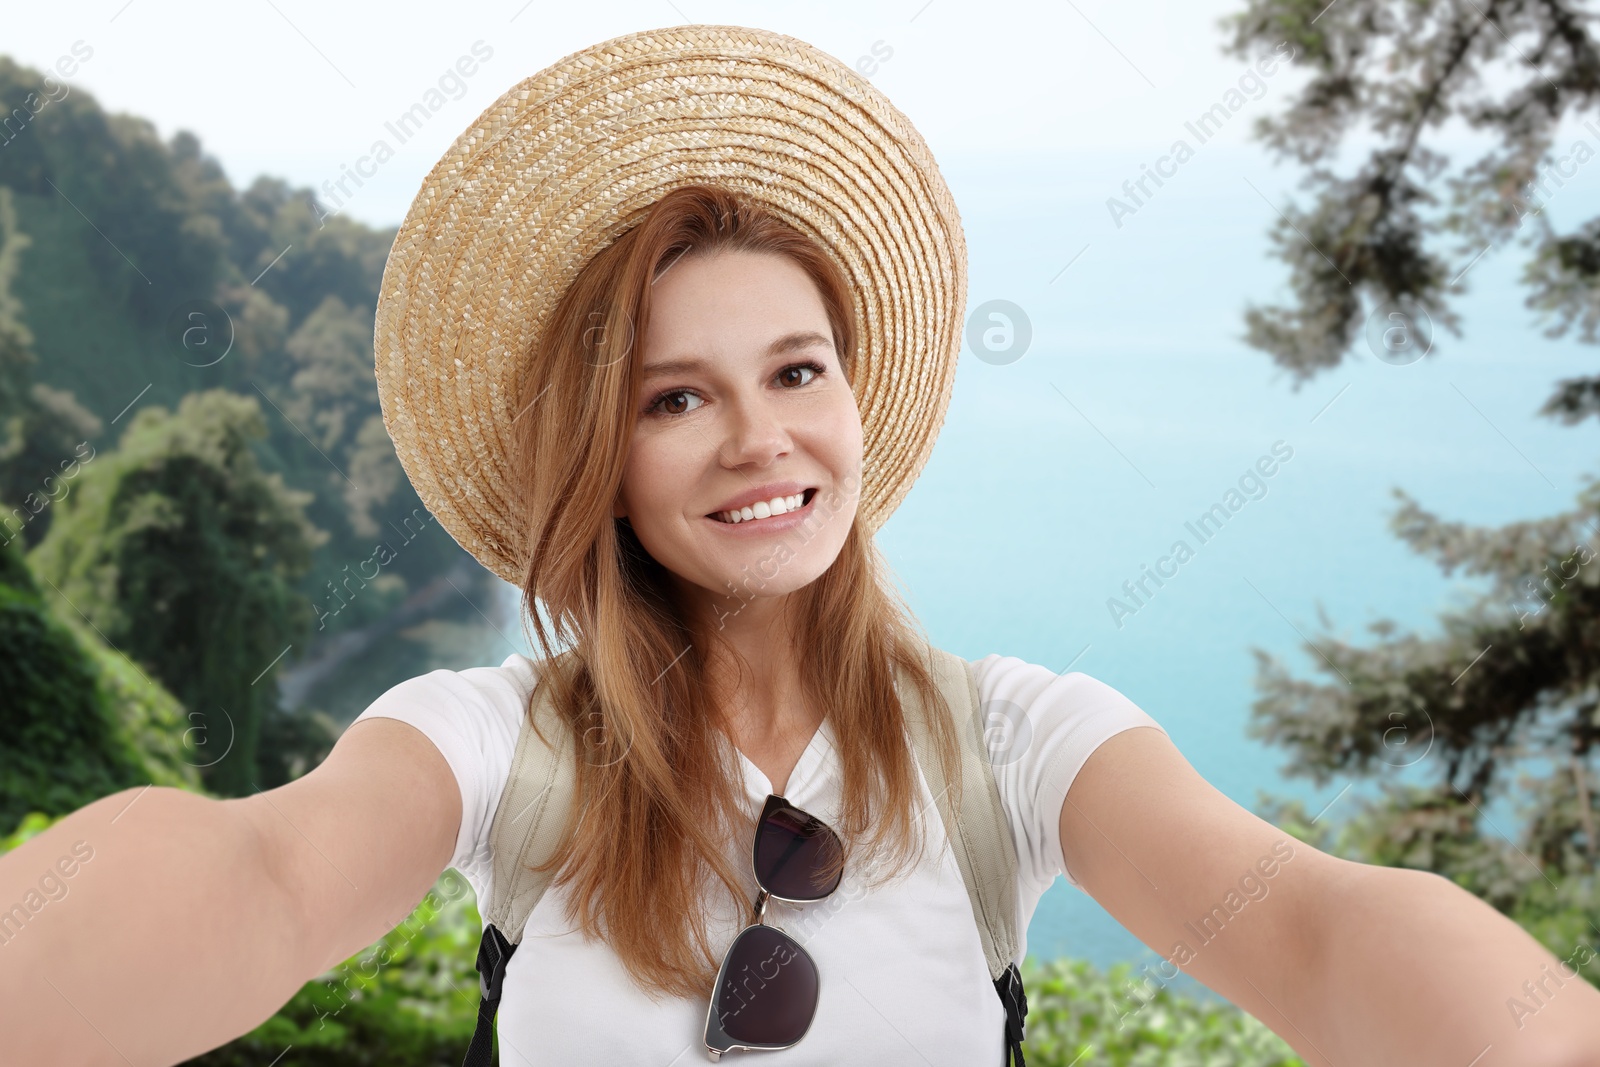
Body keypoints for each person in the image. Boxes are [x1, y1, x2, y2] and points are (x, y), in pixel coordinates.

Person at [4, 24, 1600, 1067]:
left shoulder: (1018, 744)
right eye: (674, 397)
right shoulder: (493, 741)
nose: (761, 437)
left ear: (851, 396)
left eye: (796, 370)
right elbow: (267, 875)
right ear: (600, 460)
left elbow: (1309, 928)